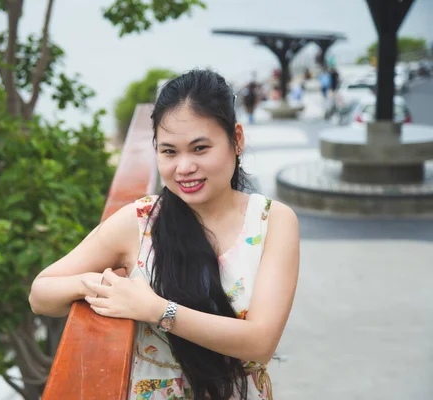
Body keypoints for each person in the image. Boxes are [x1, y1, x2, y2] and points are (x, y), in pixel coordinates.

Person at [29, 69, 300, 400]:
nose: (183, 167)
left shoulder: (272, 221)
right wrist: (109, 289)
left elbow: (260, 343)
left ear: (237, 140)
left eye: (200, 148)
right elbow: (41, 294)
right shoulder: (141, 221)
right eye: (169, 152)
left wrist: (156, 309)